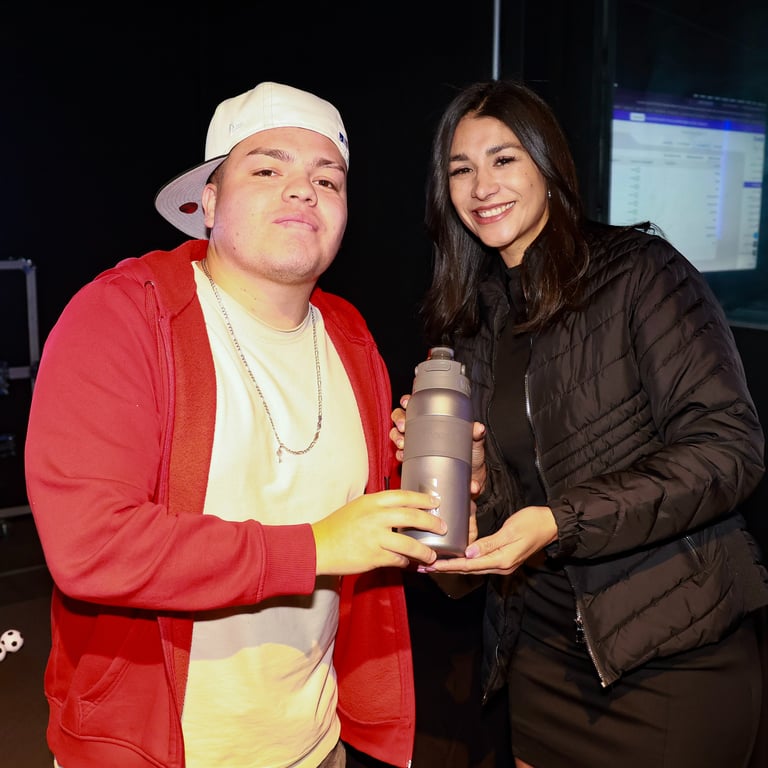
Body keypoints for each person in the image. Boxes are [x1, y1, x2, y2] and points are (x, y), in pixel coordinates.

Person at [24, 80, 449, 768]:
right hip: (156, 752)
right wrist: (313, 548)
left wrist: (439, 488)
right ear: (210, 201)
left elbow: (365, 524)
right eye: (267, 170)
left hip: (315, 744)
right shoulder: (124, 316)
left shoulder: (350, 336)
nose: (303, 190)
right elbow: (92, 546)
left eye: (327, 179)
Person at [391, 79, 768, 768]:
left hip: (672, 653)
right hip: (541, 656)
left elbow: (728, 451)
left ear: (547, 163)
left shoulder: (641, 273)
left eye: (504, 159)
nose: (482, 186)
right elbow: (502, 523)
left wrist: (561, 521)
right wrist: (472, 489)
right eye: (461, 169)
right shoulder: (472, 323)